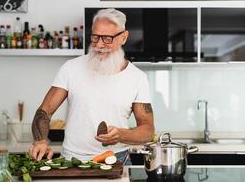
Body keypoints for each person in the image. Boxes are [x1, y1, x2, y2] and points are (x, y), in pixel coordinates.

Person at [29, 8, 155, 163]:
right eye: (95, 37)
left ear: (124, 37)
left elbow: (147, 130)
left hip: (116, 160)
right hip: (71, 160)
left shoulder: (137, 78)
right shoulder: (70, 68)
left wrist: (121, 134)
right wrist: (40, 140)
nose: (99, 44)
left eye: (107, 38)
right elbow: (44, 111)